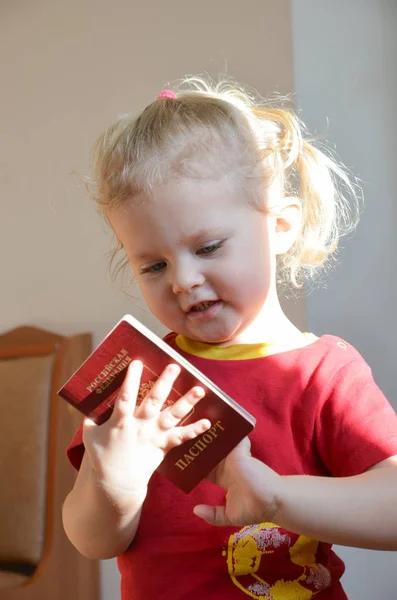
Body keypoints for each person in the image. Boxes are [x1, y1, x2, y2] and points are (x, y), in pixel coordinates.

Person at [62, 77, 397, 600]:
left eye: (210, 246)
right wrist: (112, 477)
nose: (183, 279)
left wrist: (278, 499)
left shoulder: (324, 373)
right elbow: (93, 542)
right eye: (153, 264)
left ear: (280, 227)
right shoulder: (141, 382)